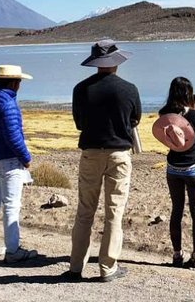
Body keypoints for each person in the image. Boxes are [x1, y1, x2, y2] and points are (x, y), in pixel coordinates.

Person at [63, 40, 141, 283]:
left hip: (90, 154)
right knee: (114, 212)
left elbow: (78, 123)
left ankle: (76, 267)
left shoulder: (80, 89)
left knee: (85, 210)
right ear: (116, 62)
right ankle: (107, 268)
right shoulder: (129, 89)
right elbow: (135, 120)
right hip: (119, 155)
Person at [0, 64, 38, 263]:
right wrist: (26, 158)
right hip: (8, 160)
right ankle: (12, 250)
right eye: (18, 82)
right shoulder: (7, 103)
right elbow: (13, 136)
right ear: (13, 82)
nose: (19, 86)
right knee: (11, 205)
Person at [158, 77, 195, 269]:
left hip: (173, 168)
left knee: (176, 211)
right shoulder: (193, 115)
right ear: (189, 94)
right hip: (194, 168)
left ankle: (176, 254)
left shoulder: (164, 113)